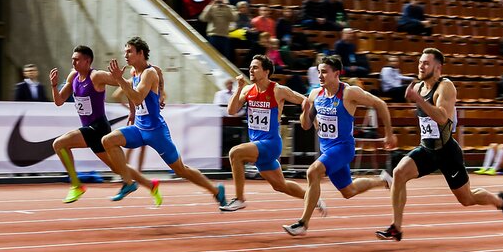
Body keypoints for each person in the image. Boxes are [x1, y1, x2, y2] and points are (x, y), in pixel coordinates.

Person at [377, 49, 503, 241]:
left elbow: (441, 118)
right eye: (420, 62)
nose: (421, 66)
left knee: (466, 199)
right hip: (426, 150)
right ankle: (396, 228)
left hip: (447, 152)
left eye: (426, 63)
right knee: (399, 173)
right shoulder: (419, 87)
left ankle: (499, 200)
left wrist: (418, 99)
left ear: (438, 68)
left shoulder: (445, 87)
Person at [101, 37, 227, 206]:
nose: (125, 55)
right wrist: (133, 111)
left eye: (129, 52)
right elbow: (141, 89)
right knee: (108, 141)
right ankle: (128, 182)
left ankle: (216, 190)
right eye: (125, 52)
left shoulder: (149, 73)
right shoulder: (135, 73)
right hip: (139, 129)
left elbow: (138, 97)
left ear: (141, 53)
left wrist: (120, 80)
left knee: (181, 170)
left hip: (156, 132)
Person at [283, 55, 397, 236]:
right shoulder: (315, 94)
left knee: (313, 172)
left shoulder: (349, 93)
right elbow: (305, 125)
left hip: (343, 148)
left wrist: (389, 134)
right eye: (319, 72)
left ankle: (303, 223)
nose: (320, 76)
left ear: (336, 73)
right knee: (348, 191)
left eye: (324, 72)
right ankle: (383, 180)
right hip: (327, 150)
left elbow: (380, 104)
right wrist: (305, 111)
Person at [222, 54, 325, 212]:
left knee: (235, 153)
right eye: (250, 67)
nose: (251, 70)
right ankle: (313, 198)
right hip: (257, 145)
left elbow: (305, 100)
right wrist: (239, 88)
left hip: (270, 144)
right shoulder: (248, 90)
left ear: (266, 72)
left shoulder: (278, 90)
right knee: (280, 185)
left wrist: (313, 120)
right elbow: (231, 110)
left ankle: (239, 199)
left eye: (255, 67)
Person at [49, 45, 151, 204]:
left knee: (59, 144)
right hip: (90, 129)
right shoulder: (73, 77)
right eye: (72, 59)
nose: (73, 62)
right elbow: (59, 101)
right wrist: (54, 86)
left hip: (98, 127)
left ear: (87, 61)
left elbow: (126, 84)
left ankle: (76, 186)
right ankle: (151, 185)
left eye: (76, 60)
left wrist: (132, 110)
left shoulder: (96, 76)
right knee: (118, 168)